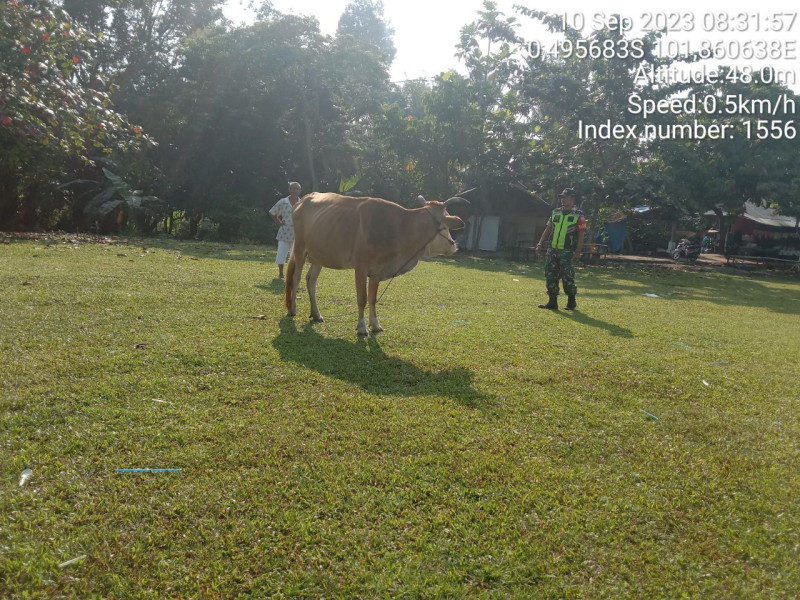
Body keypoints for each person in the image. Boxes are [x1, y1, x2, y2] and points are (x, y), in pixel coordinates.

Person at [535, 188, 586, 310]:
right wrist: (540, 244)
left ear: (572, 199)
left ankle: (571, 301)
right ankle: (552, 301)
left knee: (567, 277)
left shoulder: (579, 215)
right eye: (562, 197)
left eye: (566, 197)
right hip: (552, 249)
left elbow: (581, 235)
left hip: (567, 251)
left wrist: (578, 252)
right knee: (550, 275)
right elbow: (548, 229)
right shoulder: (555, 213)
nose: (563, 200)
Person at [269, 181, 302, 279]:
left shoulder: (302, 203)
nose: (295, 191)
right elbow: (272, 212)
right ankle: (281, 273)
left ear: (300, 191)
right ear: (289, 190)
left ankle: (292, 274)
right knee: (281, 254)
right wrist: (278, 222)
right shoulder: (283, 201)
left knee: (295, 256)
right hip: (284, 232)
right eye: (293, 188)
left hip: (297, 234)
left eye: (297, 189)